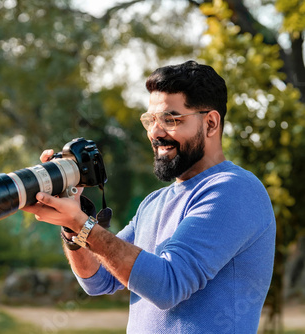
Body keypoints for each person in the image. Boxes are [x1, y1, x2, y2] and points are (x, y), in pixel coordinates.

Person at [22, 60, 276, 333]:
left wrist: (83, 226)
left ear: (211, 123)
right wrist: (71, 224)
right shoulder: (153, 203)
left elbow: (168, 286)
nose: (155, 132)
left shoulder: (235, 189)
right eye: (151, 120)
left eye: (170, 119)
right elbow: (97, 280)